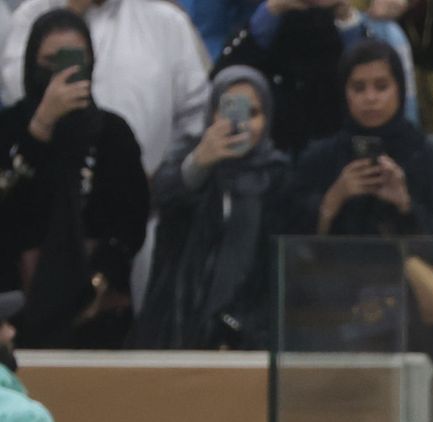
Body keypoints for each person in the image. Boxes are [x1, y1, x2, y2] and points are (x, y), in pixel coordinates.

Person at [288, 37, 433, 369]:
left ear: (400, 89)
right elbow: (289, 250)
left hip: (412, 322)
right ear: (344, 93)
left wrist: (406, 206)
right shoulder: (319, 159)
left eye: (381, 86)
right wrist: (331, 201)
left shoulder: (430, 158)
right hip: (333, 320)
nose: (370, 98)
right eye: (359, 88)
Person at [0, 10, 147, 349]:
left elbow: (130, 222)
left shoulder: (113, 133)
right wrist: (39, 130)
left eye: (74, 61)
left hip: (99, 306)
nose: (62, 73)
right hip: (15, 306)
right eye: (51, 62)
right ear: (31, 63)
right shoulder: (9, 127)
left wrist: (99, 281)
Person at [135, 67, 289, 350]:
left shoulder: (278, 175)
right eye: (229, 110)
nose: (241, 123)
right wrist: (199, 164)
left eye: (253, 113)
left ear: (267, 118)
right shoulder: (188, 159)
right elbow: (161, 200)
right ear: (211, 114)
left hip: (250, 331)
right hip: (178, 322)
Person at [0, 0, 209, 179]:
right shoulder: (30, 16)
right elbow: (16, 94)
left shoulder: (166, 22)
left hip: (149, 199)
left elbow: (196, 116)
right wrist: (69, 15)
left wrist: (165, 177)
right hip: (47, 188)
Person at [216, 0, 367, 157]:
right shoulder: (266, 22)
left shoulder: (347, 24)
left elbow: (368, 74)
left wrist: (346, 18)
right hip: (269, 148)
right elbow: (224, 77)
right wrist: (272, 9)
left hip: (334, 142)